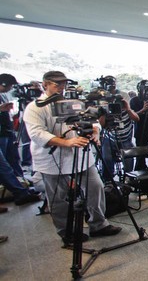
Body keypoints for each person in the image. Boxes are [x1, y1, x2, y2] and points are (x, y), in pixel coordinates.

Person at [24, 71, 122, 242]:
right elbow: (37, 134)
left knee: (95, 186)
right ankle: (66, 231)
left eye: (63, 84)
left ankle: (98, 224)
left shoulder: (73, 102)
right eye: (57, 84)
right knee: (58, 196)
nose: (61, 88)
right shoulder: (35, 107)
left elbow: (92, 120)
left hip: (80, 153)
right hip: (52, 158)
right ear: (45, 84)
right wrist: (66, 143)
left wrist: (95, 132)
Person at [0, 73, 40, 206]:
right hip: (2, 134)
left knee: (13, 161)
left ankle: (22, 186)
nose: (10, 89)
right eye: (9, 86)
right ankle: (20, 193)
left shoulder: (3, 95)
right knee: (3, 167)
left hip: (7, 131)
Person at [98, 76, 140, 181]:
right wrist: (104, 111)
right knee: (106, 158)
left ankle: (129, 179)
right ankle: (109, 182)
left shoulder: (124, 95)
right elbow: (101, 124)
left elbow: (136, 118)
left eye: (114, 83)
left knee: (129, 160)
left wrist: (127, 108)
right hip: (109, 135)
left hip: (125, 135)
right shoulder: (102, 98)